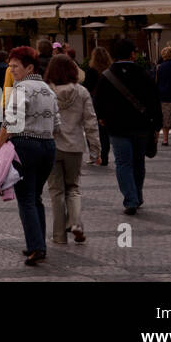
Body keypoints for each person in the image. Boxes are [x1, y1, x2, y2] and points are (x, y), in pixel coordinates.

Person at [0, 46, 59, 266]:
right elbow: (57, 124)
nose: (11, 70)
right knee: (36, 197)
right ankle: (38, 243)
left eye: (15, 66)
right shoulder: (49, 90)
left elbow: (10, 121)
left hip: (25, 146)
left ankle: (36, 247)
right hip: (48, 146)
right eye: (10, 66)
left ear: (29, 67)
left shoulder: (21, 88)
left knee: (26, 199)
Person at [93, 38, 162, 216]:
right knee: (139, 162)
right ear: (132, 54)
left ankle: (130, 199)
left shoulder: (106, 76)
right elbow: (155, 100)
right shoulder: (143, 74)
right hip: (141, 127)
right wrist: (157, 124)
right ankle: (137, 196)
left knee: (123, 163)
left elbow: (98, 101)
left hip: (117, 128)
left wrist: (102, 118)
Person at [45, 53, 98, 244]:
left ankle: (59, 236)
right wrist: (95, 148)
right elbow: (91, 121)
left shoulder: (46, 92)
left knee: (56, 191)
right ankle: (75, 222)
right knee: (73, 187)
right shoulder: (82, 92)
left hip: (52, 146)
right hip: (75, 146)